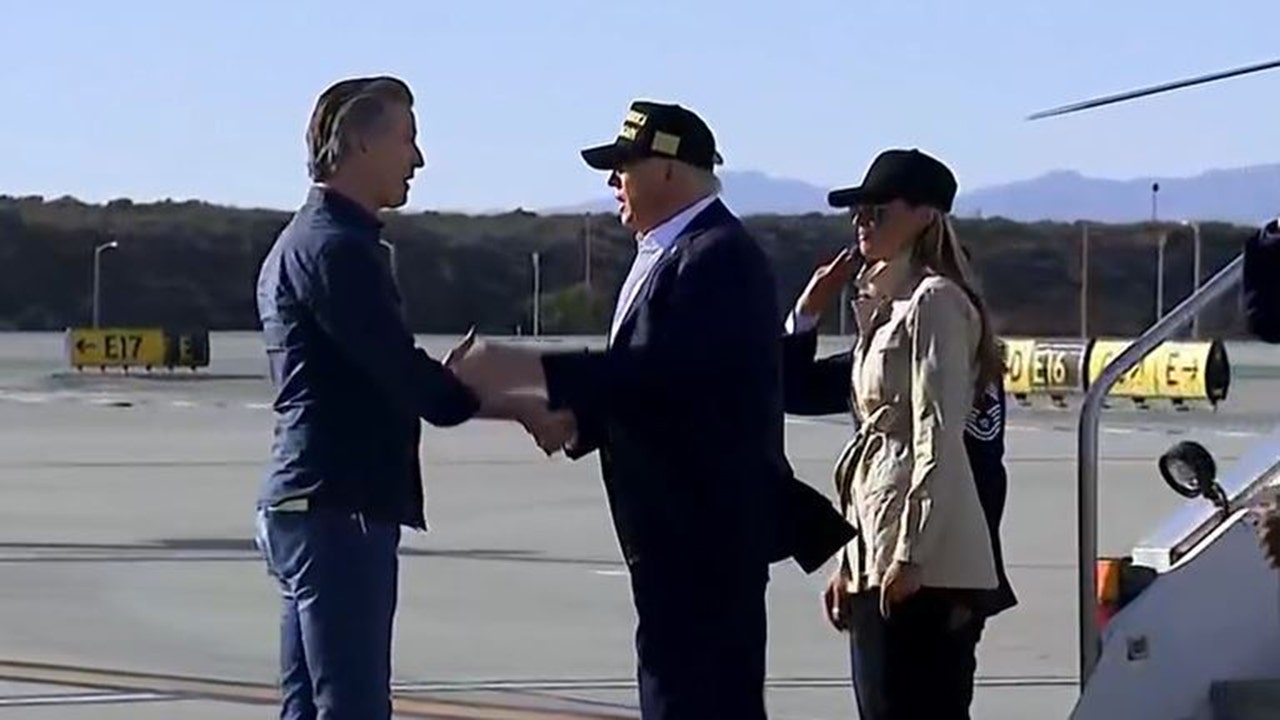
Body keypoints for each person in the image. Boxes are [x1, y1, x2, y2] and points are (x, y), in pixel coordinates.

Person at [447, 100, 853, 720]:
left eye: (625, 166)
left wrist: (523, 367)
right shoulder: (671, 251)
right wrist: (576, 421)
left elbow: (668, 373)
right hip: (672, 537)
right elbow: (660, 390)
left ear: (668, 169)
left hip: (704, 537)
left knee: (702, 700)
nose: (614, 181)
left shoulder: (717, 255)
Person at [253, 75, 568, 720]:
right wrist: (512, 400)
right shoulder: (336, 250)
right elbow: (404, 376)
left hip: (311, 500)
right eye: (408, 139)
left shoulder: (311, 240)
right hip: (339, 504)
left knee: (309, 704)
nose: (418, 159)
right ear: (361, 145)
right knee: (352, 705)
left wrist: (485, 395)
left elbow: (381, 373)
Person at [784, 148, 1006, 719]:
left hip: (923, 566)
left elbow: (939, 441)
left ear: (925, 217)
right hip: (878, 554)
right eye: (857, 212)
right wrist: (851, 560)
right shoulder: (889, 311)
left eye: (877, 211)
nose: (862, 221)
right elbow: (801, 397)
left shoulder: (935, 304)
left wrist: (911, 553)